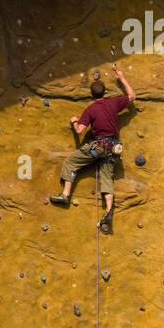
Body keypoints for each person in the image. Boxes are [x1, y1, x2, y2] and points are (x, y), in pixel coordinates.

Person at [50, 64, 135, 234]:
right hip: (114, 147)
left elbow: (80, 131)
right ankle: (108, 211)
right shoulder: (114, 103)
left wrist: (74, 121)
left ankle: (66, 195)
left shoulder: (90, 109)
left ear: (92, 94)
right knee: (107, 179)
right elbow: (132, 96)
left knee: (70, 163)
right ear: (104, 92)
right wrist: (122, 78)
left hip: (99, 146)